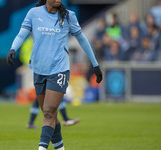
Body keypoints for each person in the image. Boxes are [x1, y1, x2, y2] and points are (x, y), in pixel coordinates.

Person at [7, 0, 103, 150]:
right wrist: (13, 49)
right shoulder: (34, 13)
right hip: (38, 70)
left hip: (59, 70)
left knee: (48, 112)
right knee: (50, 115)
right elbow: (21, 34)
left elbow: (82, 40)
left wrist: (95, 64)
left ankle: (41, 148)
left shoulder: (69, 16)